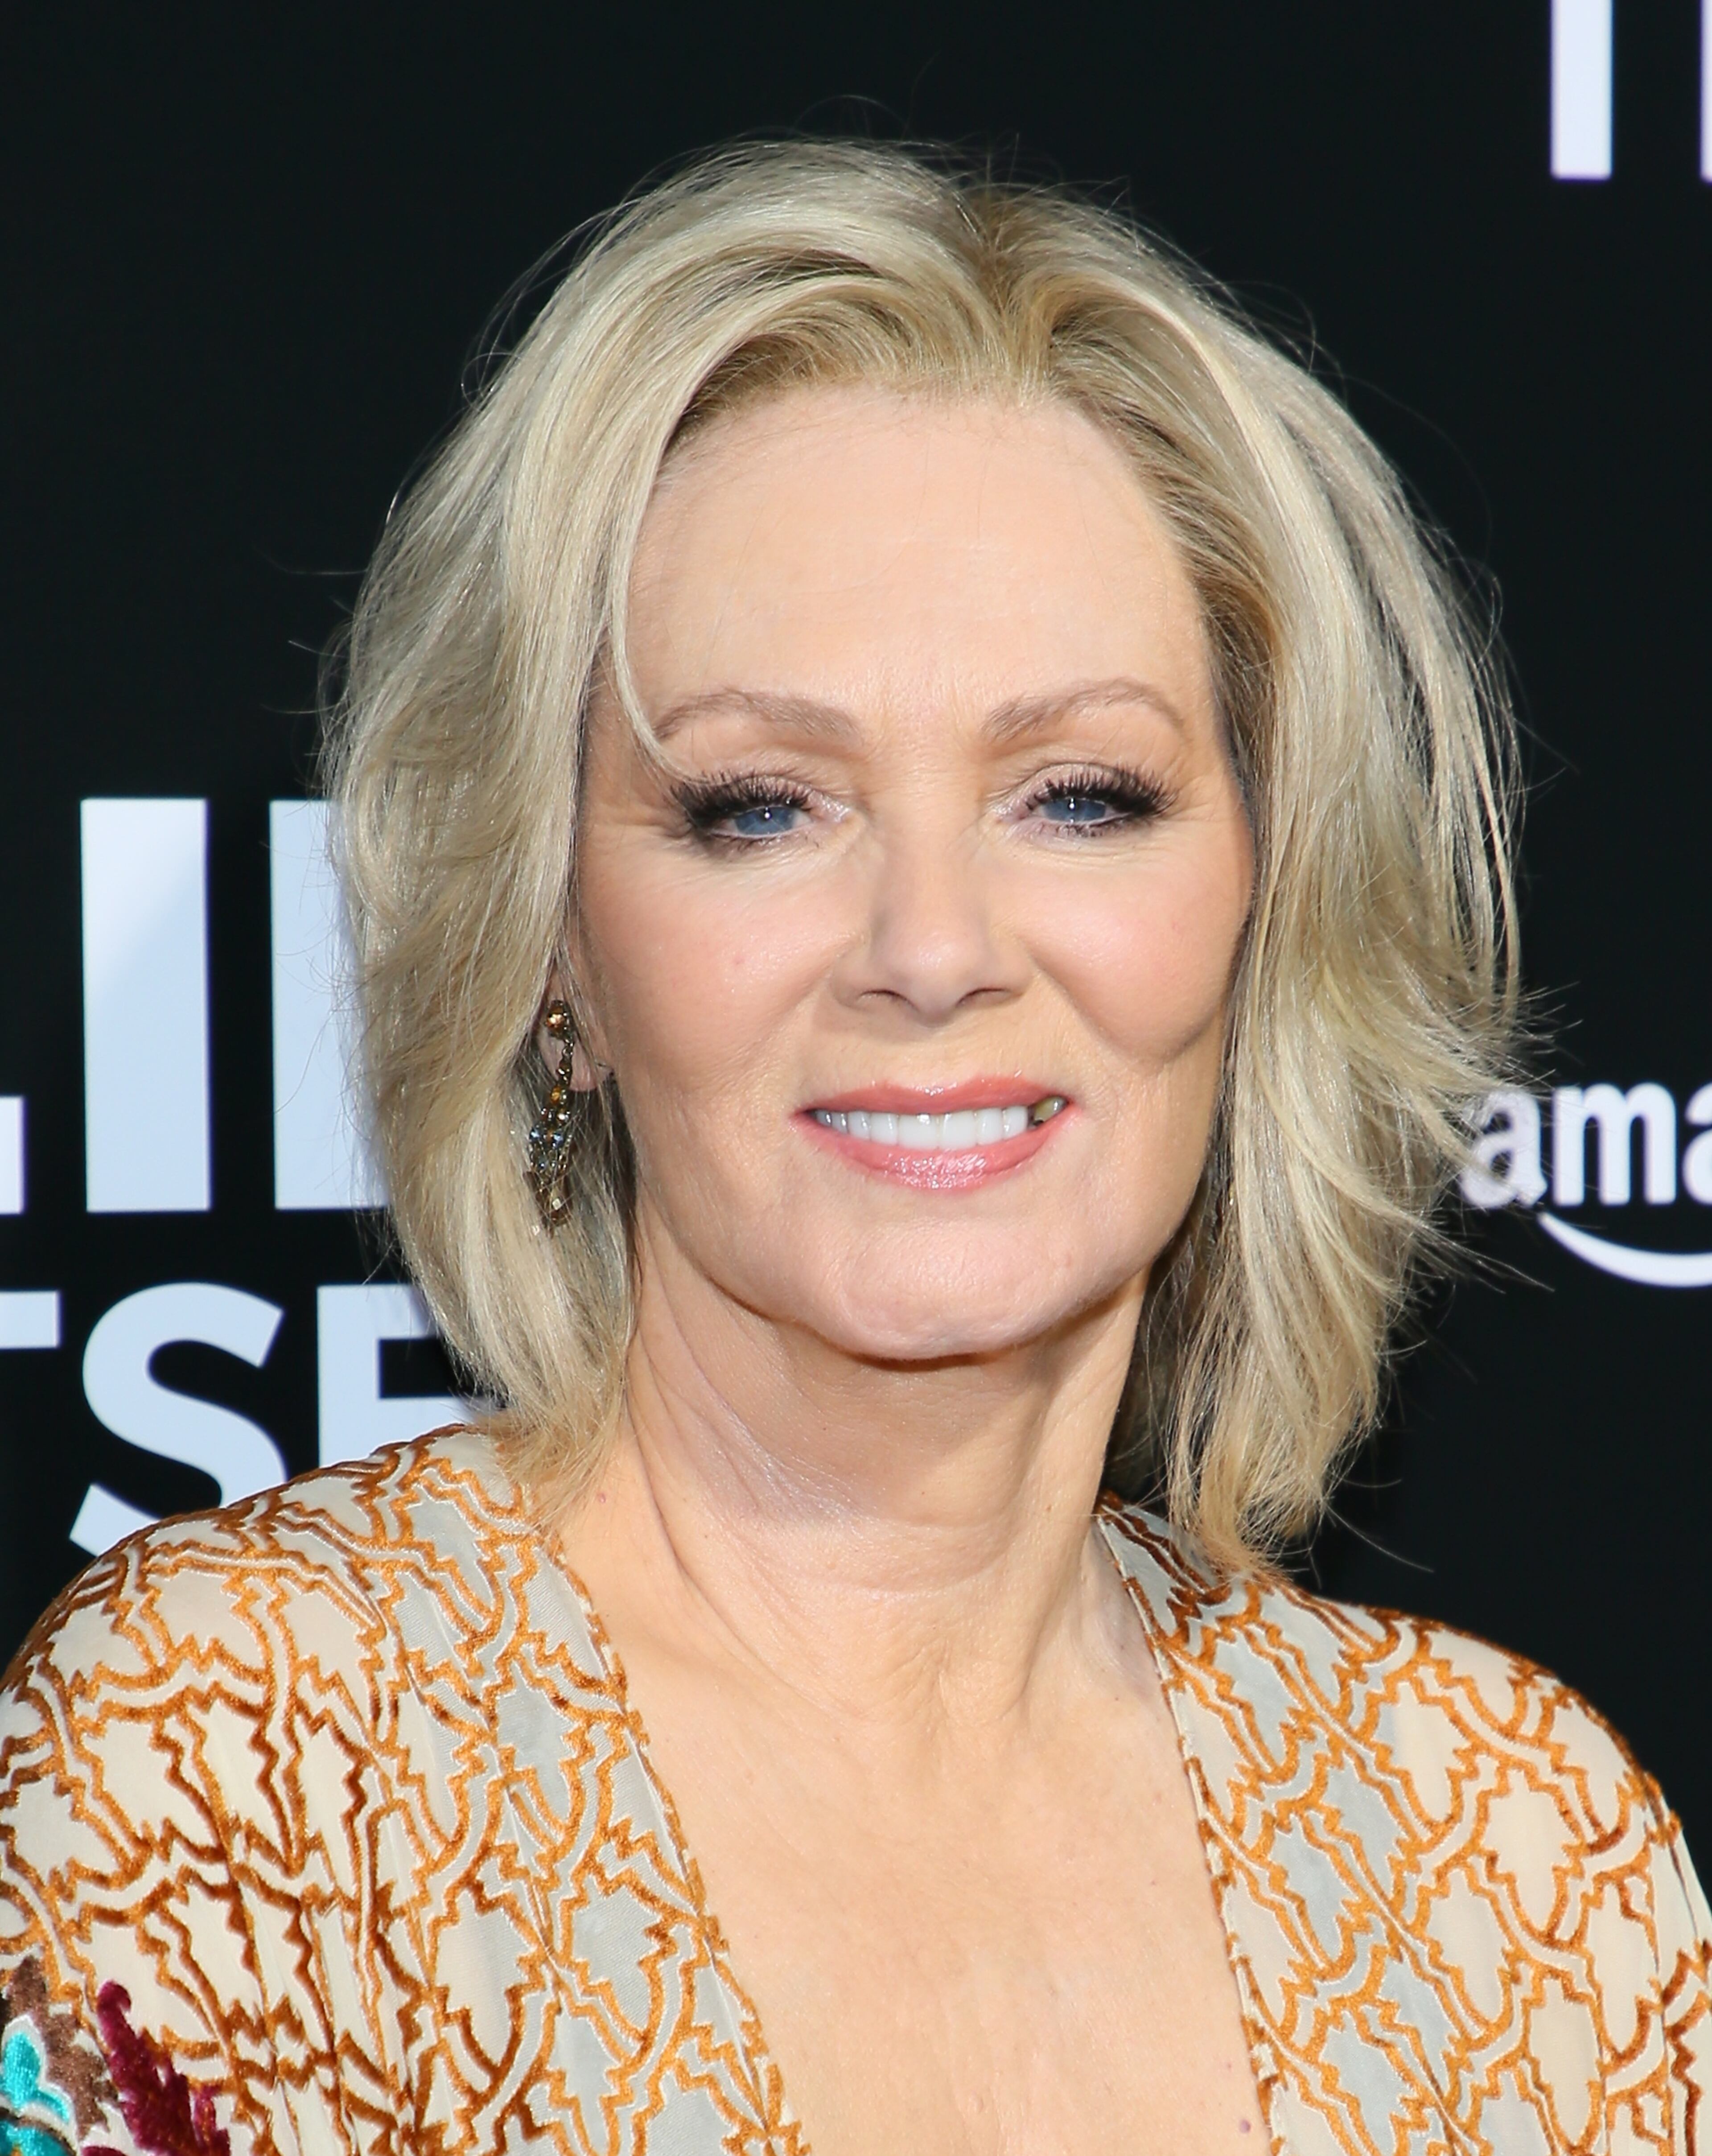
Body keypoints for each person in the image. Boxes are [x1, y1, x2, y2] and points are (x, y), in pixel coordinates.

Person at [1, 140, 1705, 2156]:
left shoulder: (1516, 1858)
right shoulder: (245, 1758)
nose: (931, 951)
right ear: (552, 942)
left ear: (1268, 897)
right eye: (757, 808)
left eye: (1078, 795)